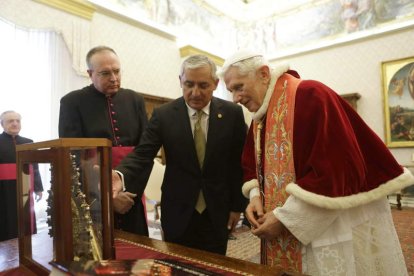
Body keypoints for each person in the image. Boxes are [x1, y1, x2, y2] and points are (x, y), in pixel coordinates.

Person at [219, 50, 414, 275]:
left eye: (238, 87)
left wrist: (284, 217)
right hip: (284, 228)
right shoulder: (260, 115)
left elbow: (335, 170)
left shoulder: (311, 95)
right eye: (231, 90)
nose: (235, 98)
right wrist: (255, 197)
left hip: (330, 225)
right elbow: (252, 163)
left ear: (264, 74)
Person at [113, 55, 247, 255]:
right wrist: (119, 174)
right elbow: (143, 153)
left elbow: (239, 163)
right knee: (177, 267)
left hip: (218, 210)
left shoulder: (232, 114)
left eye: (203, 85)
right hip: (177, 211)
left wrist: (237, 206)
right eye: (188, 84)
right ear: (180, 81)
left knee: (214, 266)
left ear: (215, 84)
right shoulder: (164, 115)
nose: (195, 93)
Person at [58, 46, 151, 236]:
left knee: (136, 257)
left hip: (131, 191)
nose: (114, 78)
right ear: (90, 74)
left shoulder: (135, 100)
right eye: (105, 73)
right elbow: (74, 157)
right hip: (93, 196)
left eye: (117, 71)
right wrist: (108, 198)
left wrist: (128, 192)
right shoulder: (72, 102)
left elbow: (146, 151)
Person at [0, 110, 43, 241]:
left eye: (17, 121)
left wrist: (38, 188)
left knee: (25, 218)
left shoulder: (29, 142)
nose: (15, 123)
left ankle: (26, 249)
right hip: (3, 188)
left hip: (25, 186)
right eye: (10, 121)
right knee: (6, 217)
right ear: (2, 124)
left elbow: (34, 167)